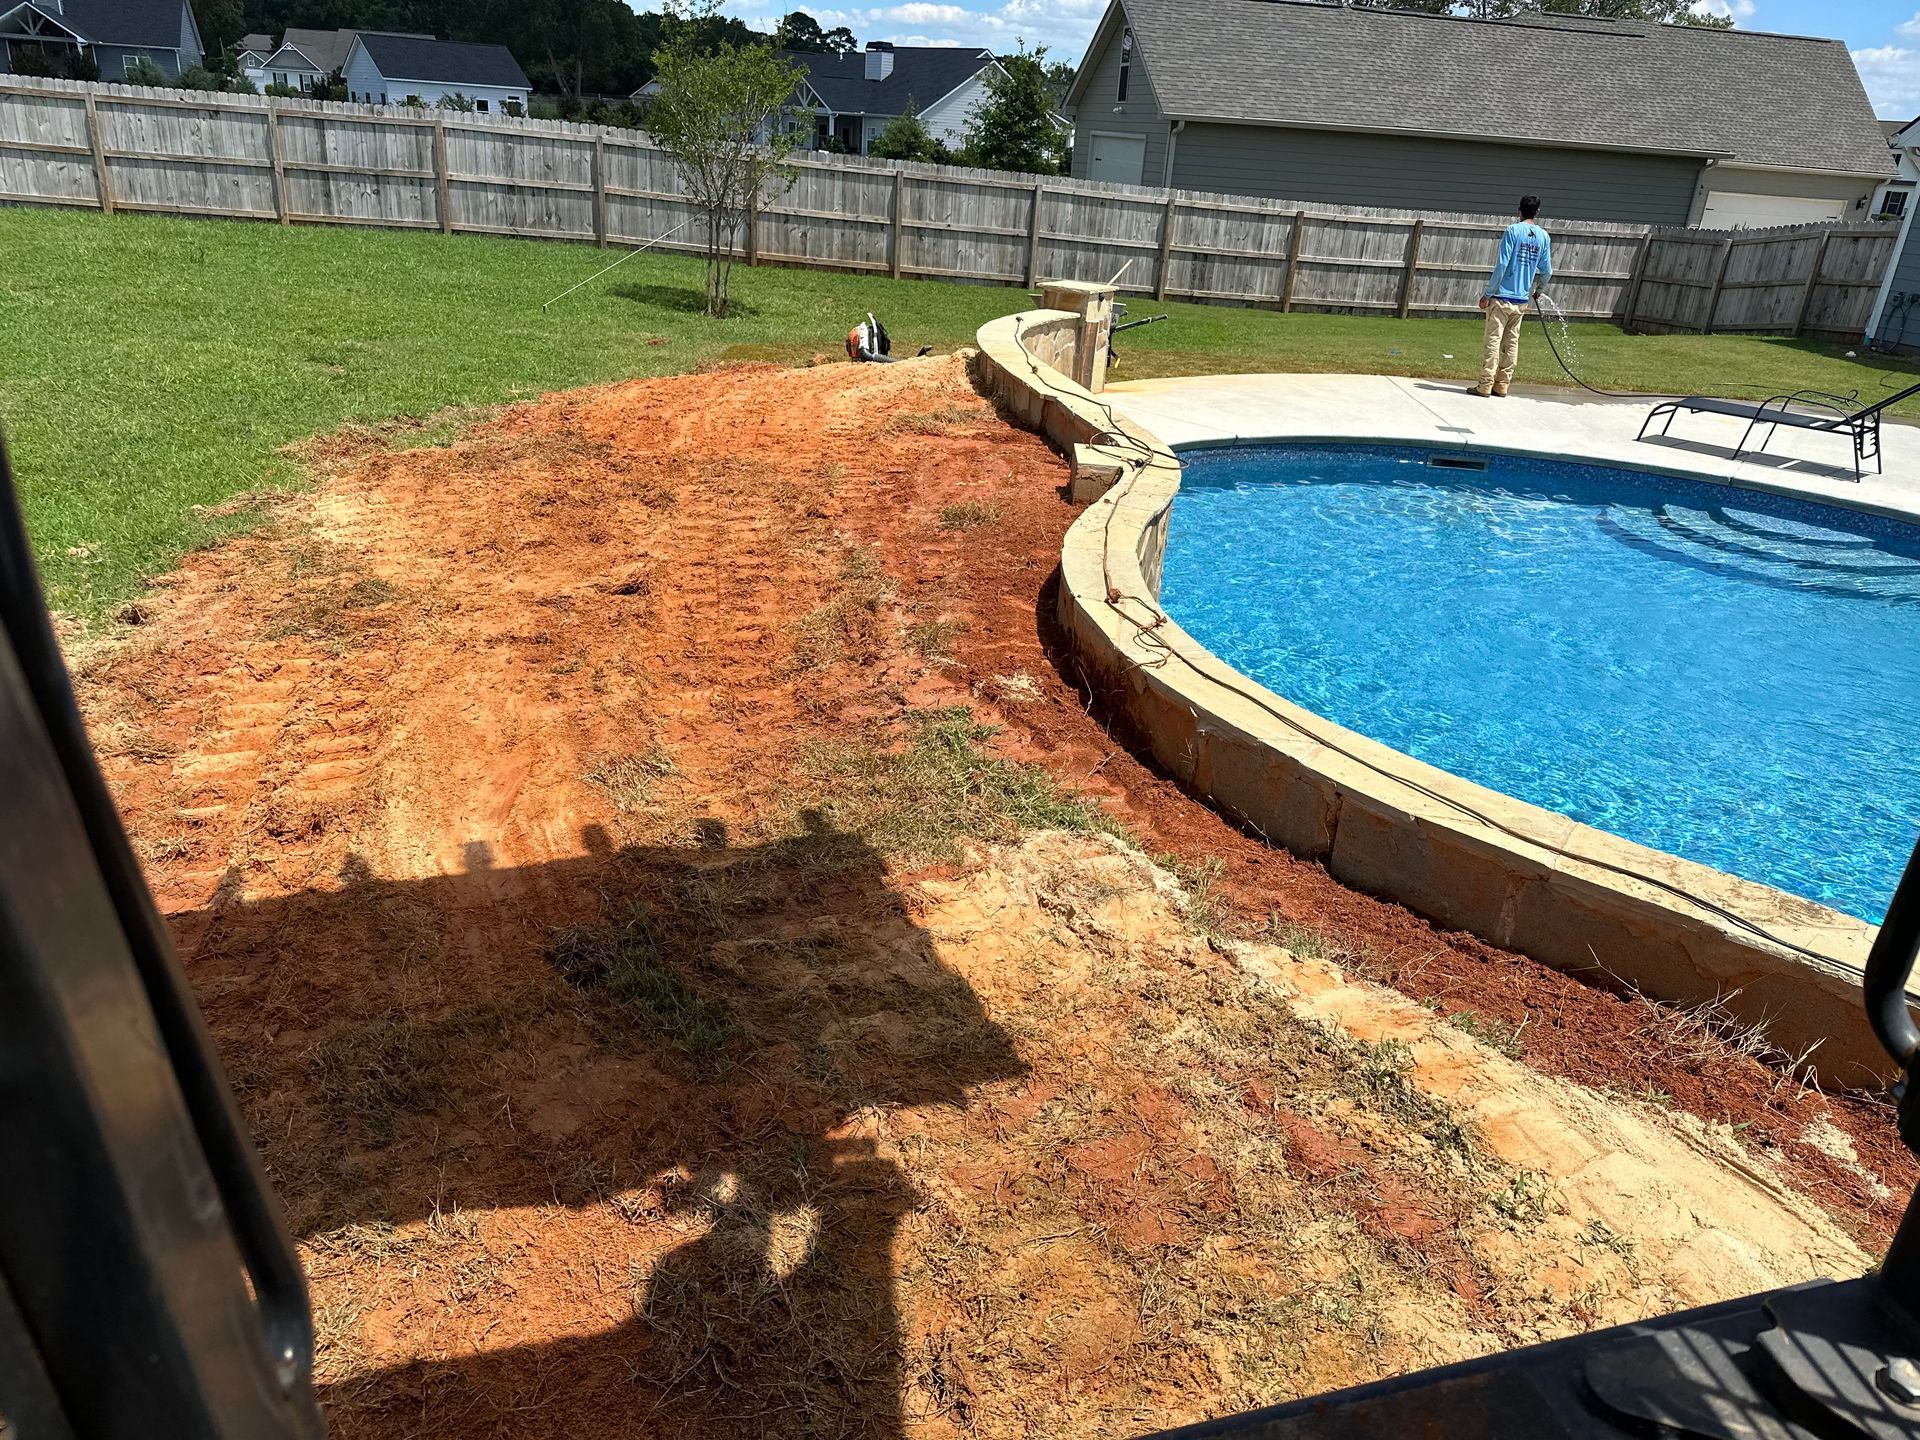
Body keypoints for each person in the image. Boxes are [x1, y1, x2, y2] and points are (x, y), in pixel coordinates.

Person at [1473, 195, 1552, 398]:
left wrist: (1487, 294)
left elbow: (1502, 264)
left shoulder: (1512, 231)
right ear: (1537, 212)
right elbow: (1547, 271)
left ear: (1519, 211)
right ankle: (1502, 385)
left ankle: (1485, 385)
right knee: (1511, 342)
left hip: (1501, 297)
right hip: (1521, 300)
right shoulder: (1543, 236)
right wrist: (1539, 290)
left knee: (1493, 340)